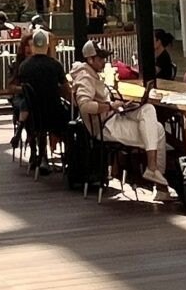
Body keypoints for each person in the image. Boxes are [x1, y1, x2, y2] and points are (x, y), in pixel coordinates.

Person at [69, 38, 167, 190]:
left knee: (148, 110)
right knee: (158, 130)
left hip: (111, 118)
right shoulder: (85, 77)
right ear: (90, 59)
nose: (104, 61)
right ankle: (157, 179)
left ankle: (153, 171)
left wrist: (119, 106)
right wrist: (110, 106)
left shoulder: (90, 73)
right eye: (100, 58)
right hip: (105, 127)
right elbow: (85, 106)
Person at [13, 28, 70, 164]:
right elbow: (65, 90)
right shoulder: (55, 65)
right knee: (72, 123)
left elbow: (23, 87)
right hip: (54, 115)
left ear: (34, 46)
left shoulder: (24, 67)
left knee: (37, 123)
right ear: (47, 45)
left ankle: (38, 154)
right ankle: (69, 160)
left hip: (34, 118)